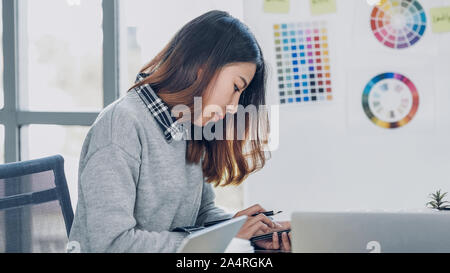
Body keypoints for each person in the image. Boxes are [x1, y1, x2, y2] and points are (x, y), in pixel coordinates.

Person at [68, 10, 291, 253]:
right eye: (236, 87)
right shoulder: (120, 127)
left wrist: (241, 230)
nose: (235, 106)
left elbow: (201, 213)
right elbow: (111, 244)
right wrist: (224, 240)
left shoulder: (187, 126)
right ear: (203, 68)